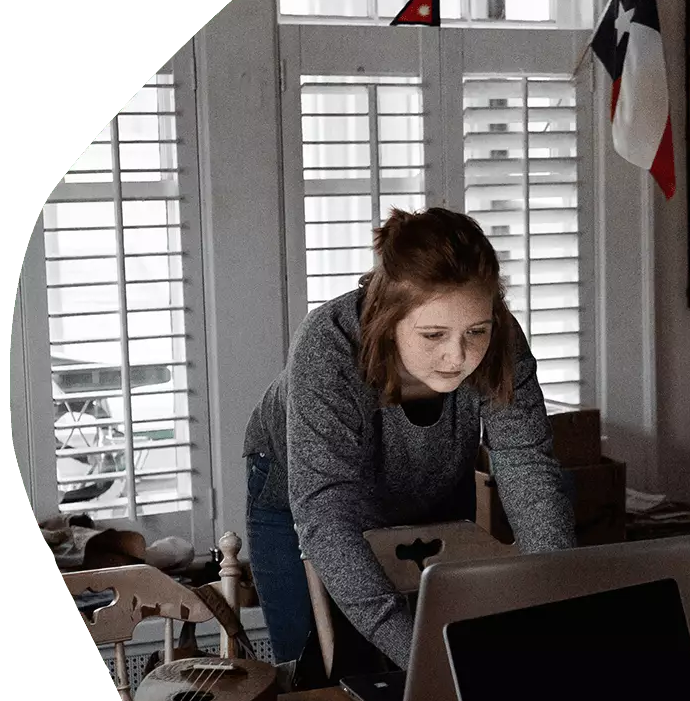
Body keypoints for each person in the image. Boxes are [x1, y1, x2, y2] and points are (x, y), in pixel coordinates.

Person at [242, 207, 575, 672]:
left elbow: (527, 465)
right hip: (305, 499)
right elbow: (327, 515)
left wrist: (555, 602)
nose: (457, 356)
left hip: (432, 484)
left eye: (476, 331)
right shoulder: (328, 345)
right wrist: (423, 659)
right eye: (433, 334)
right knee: (315, 674)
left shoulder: (501, 339)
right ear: (387, 318)